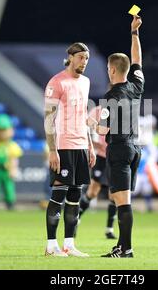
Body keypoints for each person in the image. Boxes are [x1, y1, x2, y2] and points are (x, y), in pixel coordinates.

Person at [89, 15, 144, 258]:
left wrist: (90, 121)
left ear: (111, 70)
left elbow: (102, 130)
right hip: (135, 148)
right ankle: (121, 246)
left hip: (119, 150)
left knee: (123, 202)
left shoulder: (110, 98)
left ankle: (127, 249)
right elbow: (138, 61)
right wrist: (135, 34)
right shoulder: (136, 86)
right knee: (123, 199)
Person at [44, 42, 96, 257]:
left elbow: (84, 115)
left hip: (81, 146)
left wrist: (91, 145)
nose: (84, 62)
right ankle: (50, 246)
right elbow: (49, 118)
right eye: (81, 57)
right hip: (63, 147)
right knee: (58, 196)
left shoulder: (85, 82)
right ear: (71, 57)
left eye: (86, 59)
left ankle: (69, 245)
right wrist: (52, 149)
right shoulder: (57, 82)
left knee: (75, 197)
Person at [77, 105, 117, 239]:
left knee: (114, 195)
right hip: (101, 156)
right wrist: (93, 144)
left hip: (115, 157)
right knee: (93, 191)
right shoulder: (98, 110)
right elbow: (86, 124)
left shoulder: (123, 109)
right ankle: (77, 220)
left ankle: (109, 229)